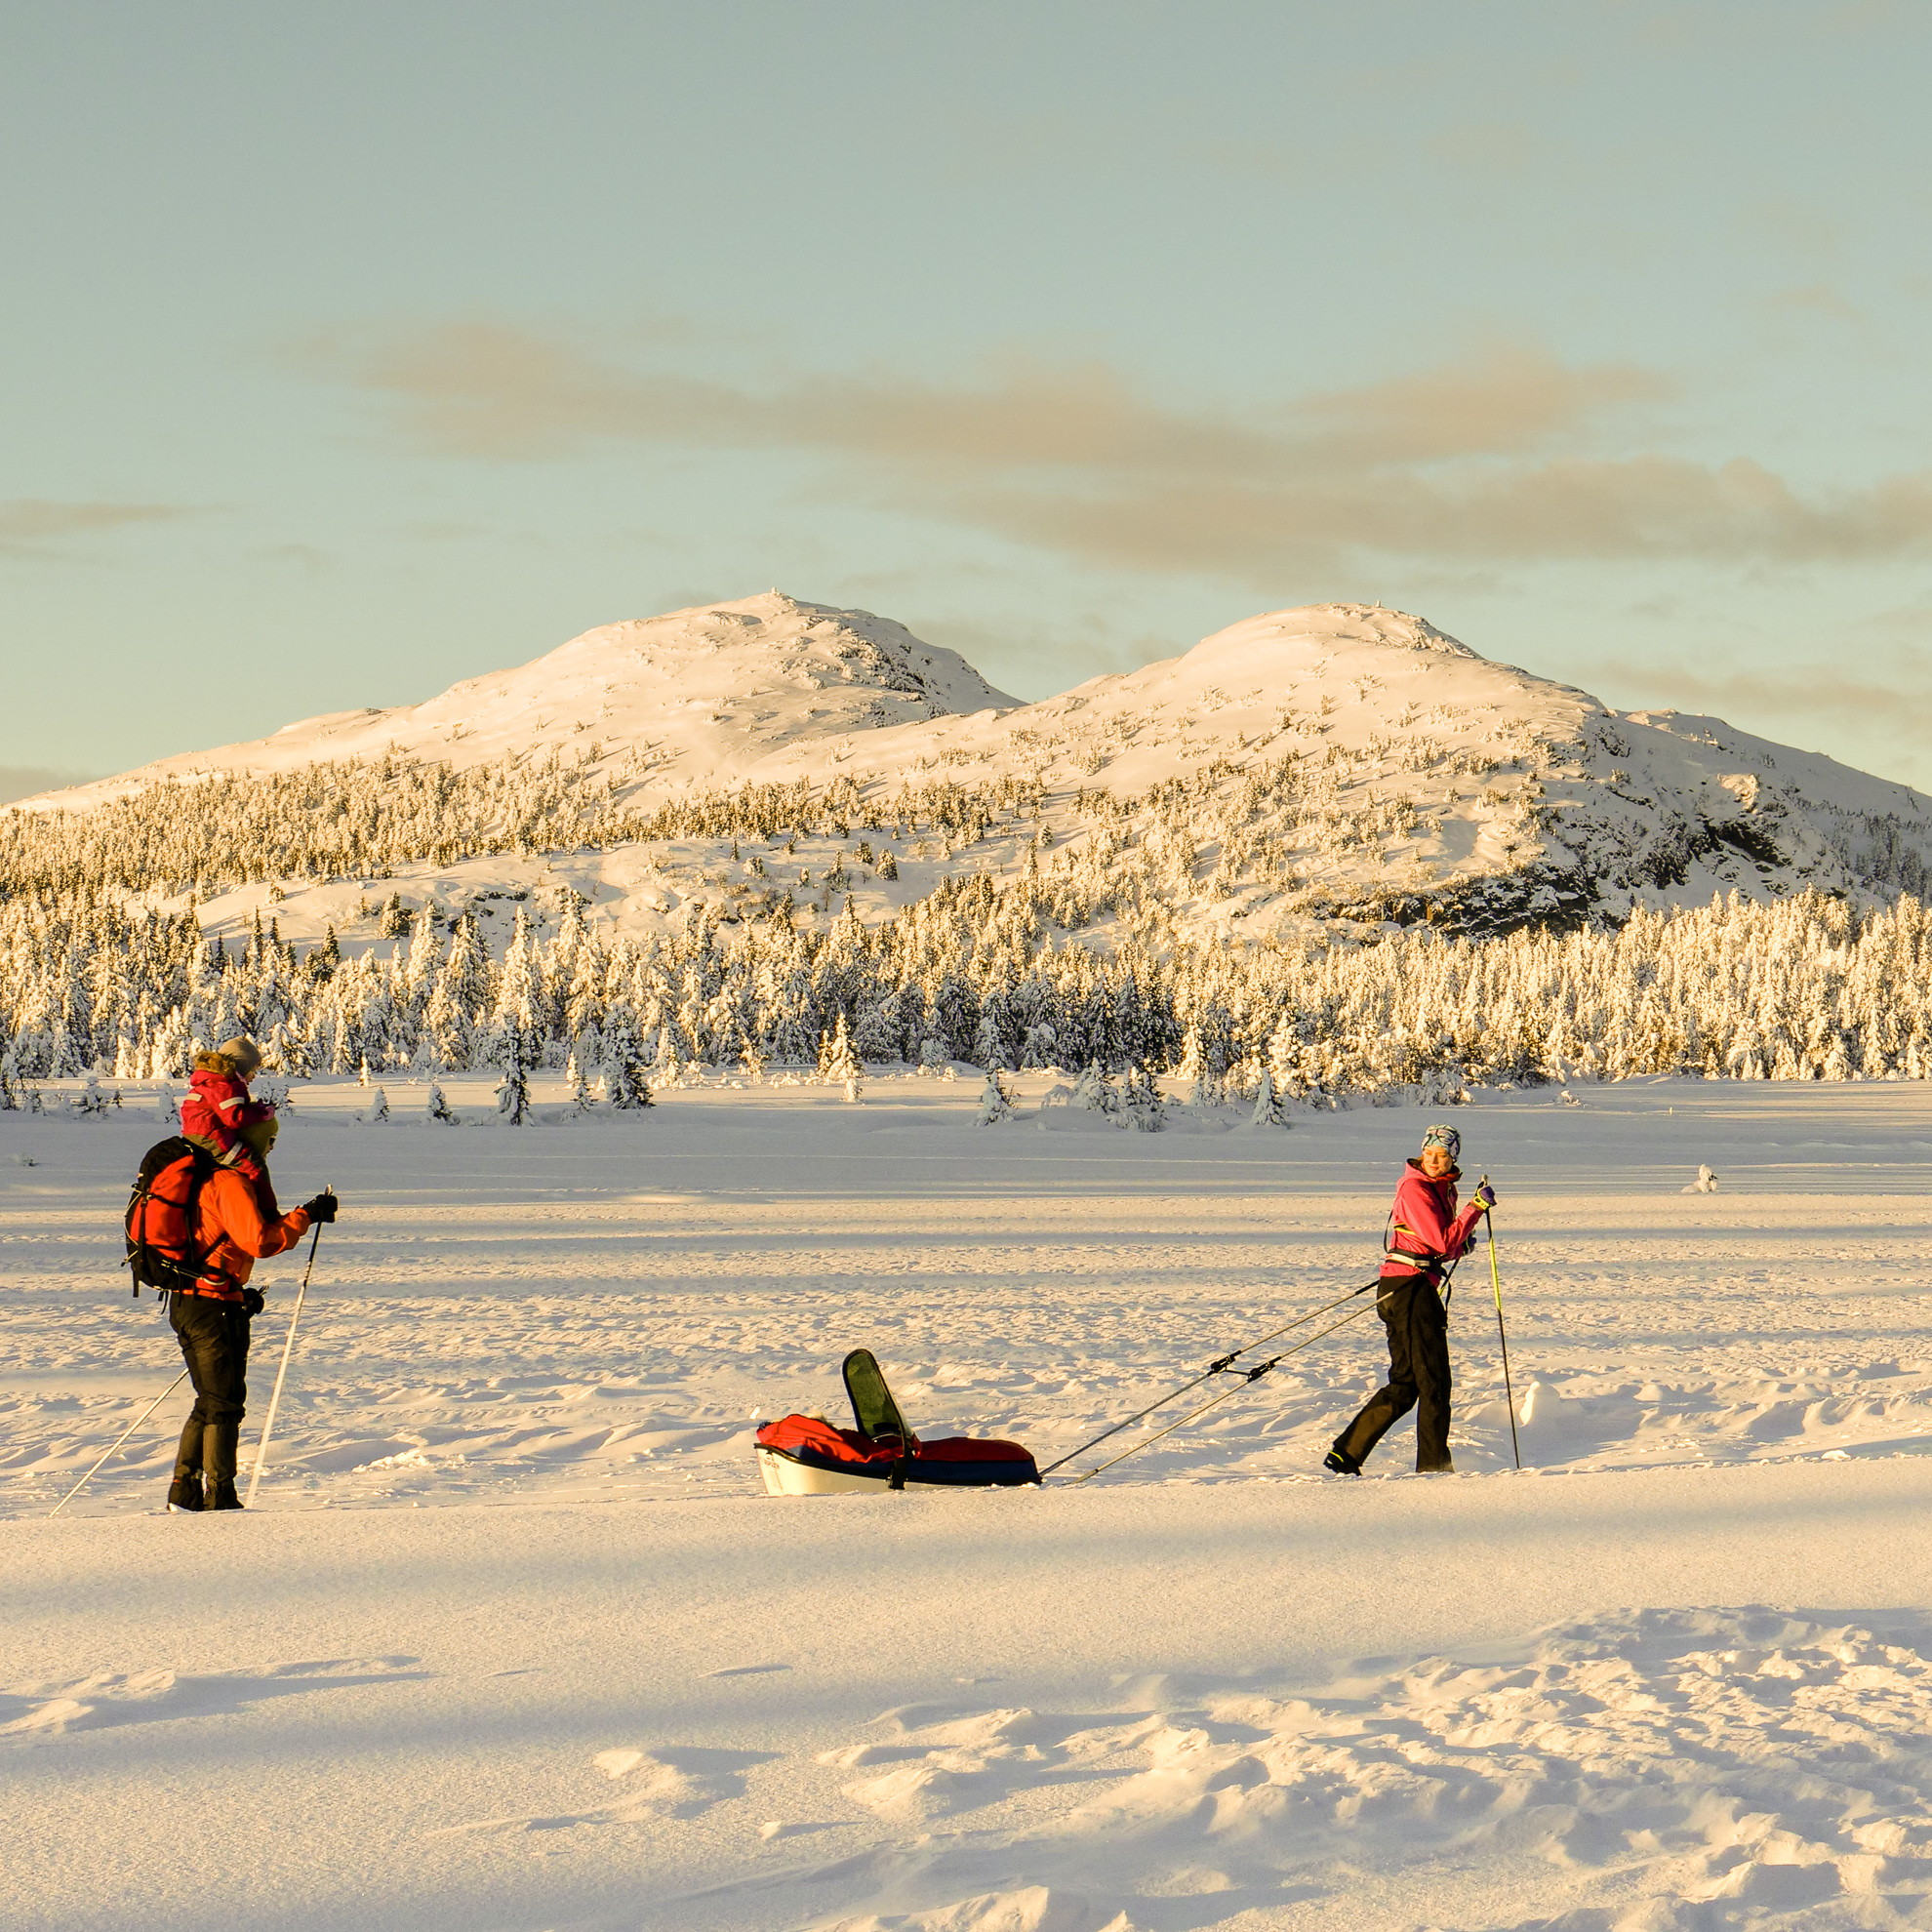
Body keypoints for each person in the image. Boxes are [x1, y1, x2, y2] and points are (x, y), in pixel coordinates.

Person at [167, 1114, 338, 1512]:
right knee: (224, 1403)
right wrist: (306, 1216)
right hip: (209, 1306)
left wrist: (238, 1296)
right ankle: (219, 1496)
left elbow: (222, 1243)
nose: (271, 1149)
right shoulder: (229, 1182)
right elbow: (260, 1240)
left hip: (200, 1300)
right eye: (269, 1142)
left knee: (210, 1400)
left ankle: (186, 1490)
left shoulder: (211, 1179)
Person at [1324, 1123, 1496, 1476]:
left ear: (1453, 1158)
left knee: (1406, 1383)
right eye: (1430, 1154)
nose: (1435, 1161)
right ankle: (1434, 1470)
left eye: (1443, 1155)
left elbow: (1437, 1244)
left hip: (1402, 1286)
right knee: (1434, 1381)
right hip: (1410, 1290)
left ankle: (1346, 1453)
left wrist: (1459, 1244)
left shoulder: (1440, 1189)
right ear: (1422, 1153)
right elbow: (1437, 1242)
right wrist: (1475, 1209)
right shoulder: (1415, 1187)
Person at [181, 1036, 277, 1186]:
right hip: (212, 1139)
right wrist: (262, 1114)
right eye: (253, 1070)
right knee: (255, 1167)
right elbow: (234, 1118)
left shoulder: (212, 1081)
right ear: (242, 1068)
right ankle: (264, 1207)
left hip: (196, 1136)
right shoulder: (226, 1085)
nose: (254, 1076)